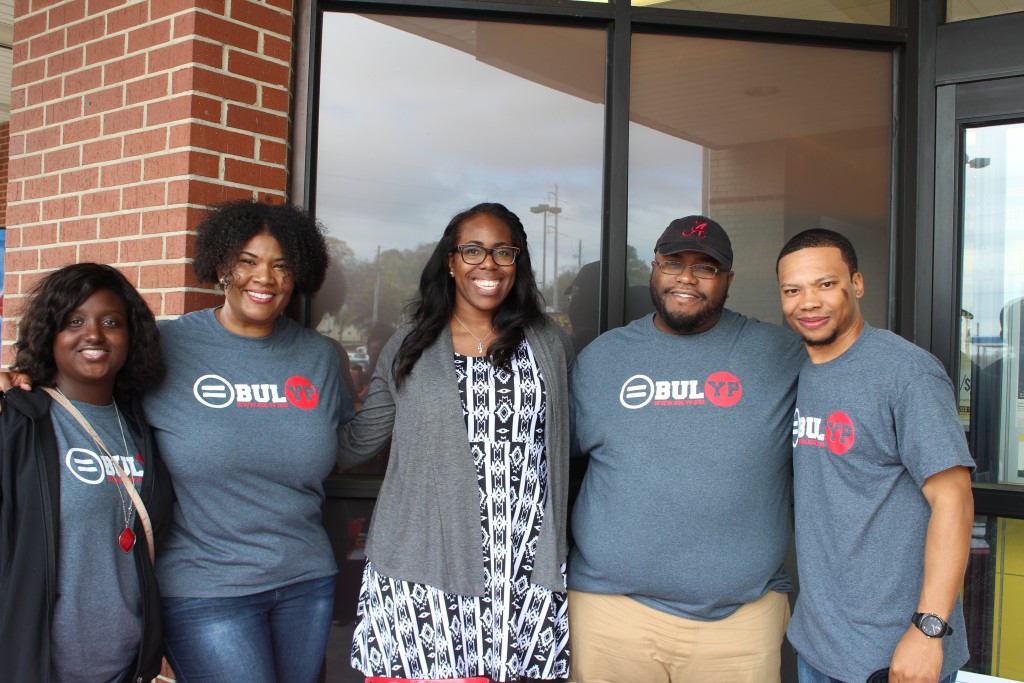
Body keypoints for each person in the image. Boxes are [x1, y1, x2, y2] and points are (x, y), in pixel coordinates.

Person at [339, 202, 574, 681]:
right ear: (450, 261)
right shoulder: (410, 345)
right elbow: (360, 441)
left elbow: (572, 438)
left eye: (502, 252)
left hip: (523, 567)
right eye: (472, 250)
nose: (487, 264)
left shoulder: (547, 341)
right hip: (426, 560)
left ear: (518, 262)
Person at [568, 215, 806, 683]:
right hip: (610, 612)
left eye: (706, 268)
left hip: (740, 621)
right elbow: (549, 464)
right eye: (673, 263)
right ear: (655, 270)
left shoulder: (780, 355)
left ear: (728, 280)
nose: (687, 278)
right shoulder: (602, 358)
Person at [145, 200, 356, 682]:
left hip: (307, 581)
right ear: (221, 267)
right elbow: (93, 392)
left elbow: (347, 443)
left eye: (281, 265)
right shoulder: (166, 346)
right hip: (205, 586)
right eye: (248, 261)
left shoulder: (319, 356)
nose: (265, 277)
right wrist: (30, 384)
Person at [777, 228, 974, 683]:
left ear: (857, 284)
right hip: (818, 645)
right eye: (793, 290)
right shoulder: (802, 372)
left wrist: (929, 631)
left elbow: (955, 501)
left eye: (825, 284)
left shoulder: (906, 374)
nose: (808, 302)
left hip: (896, 655)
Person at [0, 263, 172, 683]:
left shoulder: (141, 426)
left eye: (111, 322)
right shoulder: (19, 420)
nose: (93, 334)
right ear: (50, 334)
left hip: (124, 665)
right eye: (74, 321)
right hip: (37, 665)